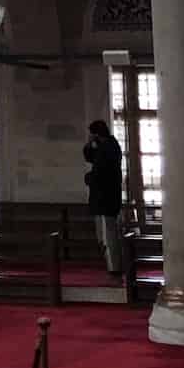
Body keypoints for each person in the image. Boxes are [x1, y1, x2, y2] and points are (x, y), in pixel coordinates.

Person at [83, 117, 125, 279]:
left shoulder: (107, 147)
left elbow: (101, 172)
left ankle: (114, 267)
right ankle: (113, 265)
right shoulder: (108, 145)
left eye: (91, 135)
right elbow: (90, 157)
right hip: (108, 197)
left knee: (109, 234)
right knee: (109, 232)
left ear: (96, 134)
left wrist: (88, 178)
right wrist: (89, 145)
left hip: (106, 198)